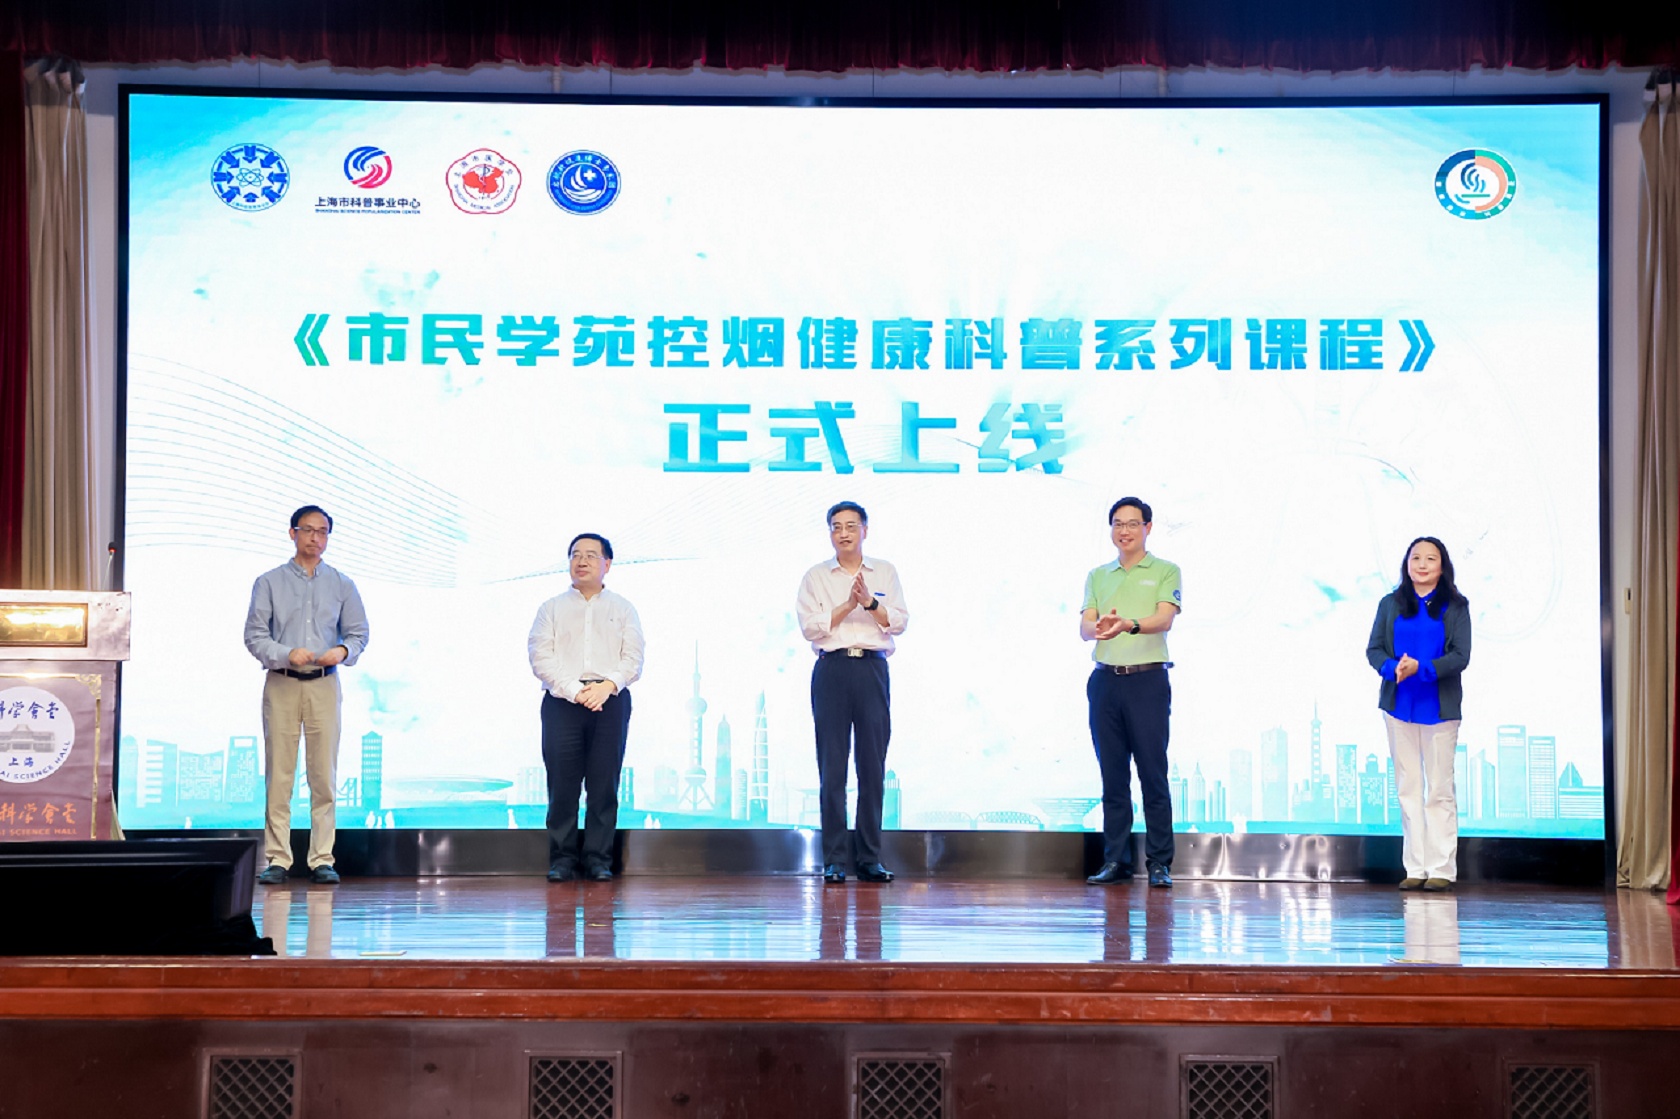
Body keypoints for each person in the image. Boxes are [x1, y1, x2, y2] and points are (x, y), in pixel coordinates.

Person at [243, 505, 370, 886]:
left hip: (324, 684)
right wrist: (286, 653)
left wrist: (343, 651)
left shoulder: (342, 584)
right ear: (292, 533)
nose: (316, 538)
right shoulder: (269, 582)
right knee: (280, 775)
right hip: (282, 681)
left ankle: (321, 859)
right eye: (309, 530)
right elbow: (254, 635)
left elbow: (359, 634)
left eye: (323, 531)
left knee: (323, 775)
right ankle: (278, 859)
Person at [795, 501, 909, 884]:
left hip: (872, 670)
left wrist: (870, 603)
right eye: (836, 526)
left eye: (850, 525)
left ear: (865, 530)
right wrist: (848, 605)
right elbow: (810, 628)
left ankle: (869, 858)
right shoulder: (816, 576)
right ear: (830, 532)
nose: (843, 533)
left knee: (872, 766)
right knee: (832, 767)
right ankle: (834, 860)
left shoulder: (885, 571)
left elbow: (899, 621)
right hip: (832, 669)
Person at [528, 533, 644, 882]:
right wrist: (576, 692)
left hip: (610, 701)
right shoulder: (550, 608)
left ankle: (598, 859)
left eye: (591, 555)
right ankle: (562, 859)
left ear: (607, 564)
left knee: (604, 784)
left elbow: (633, 659)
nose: (582, 561)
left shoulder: (623, 608)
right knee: (562, 784)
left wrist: (606, 687)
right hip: (562, 703)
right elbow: (540, 658)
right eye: (576, 555)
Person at [1081, 497, 1182, 889]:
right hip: (1105, 681)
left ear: (1148, 528)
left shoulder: (1165, 571)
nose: (1124, 531)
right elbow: (1085, 627)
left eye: (1132, 524)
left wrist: (1129, 625)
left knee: (1153, 773)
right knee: (1113, 776)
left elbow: (1164, 619)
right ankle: (1115, 860)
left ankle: (1159, 863)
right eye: (1118, 524)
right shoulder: (1097, 575)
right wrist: (1099, 628)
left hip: (1147, 681)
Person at [1365, 536, 1471, 892]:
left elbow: (1460, 656)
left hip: (1439, 707)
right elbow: (1374, 649)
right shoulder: (1390, 604)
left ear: (1443, 566)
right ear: (1406, 564)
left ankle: (1441, 868)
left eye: (1430, 559)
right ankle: (1415, 867)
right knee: (1407, 788)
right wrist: (1392, 667)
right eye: (1416, 558)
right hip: (1399, 707)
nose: (1422, 565)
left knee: (1439, 789)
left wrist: (1421, 668)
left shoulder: (1456, 606)